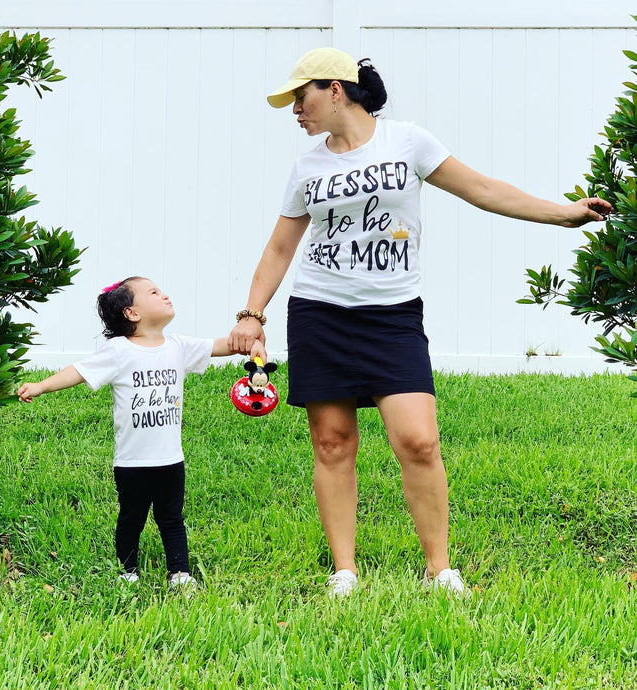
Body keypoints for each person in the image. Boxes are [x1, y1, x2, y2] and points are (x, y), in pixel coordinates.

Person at [227, 47, 612, 597]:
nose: (295, 109)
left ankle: (440, 569)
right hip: (320, 313)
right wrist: (251, 313)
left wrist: (563, 212)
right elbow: (281, 245)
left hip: (392, 316)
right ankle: (344, 571)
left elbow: (482, 190)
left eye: (301, 96)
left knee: (419, 441)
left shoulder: (407, 141)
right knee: (333, 442)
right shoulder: (308, 165)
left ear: (336, 89)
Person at [18, 276, 265, 588]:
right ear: (132, 313)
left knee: (172, 518)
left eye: (161, 290)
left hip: (171, 459)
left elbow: (224, 346)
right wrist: (40, 386)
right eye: (153, 292)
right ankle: (127, 571)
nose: (164, 295)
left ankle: (180, 573)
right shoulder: (118, 351)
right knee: (131, 520)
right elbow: (78, 372)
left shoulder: (179, 346)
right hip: (132, 461)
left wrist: (253, 345)